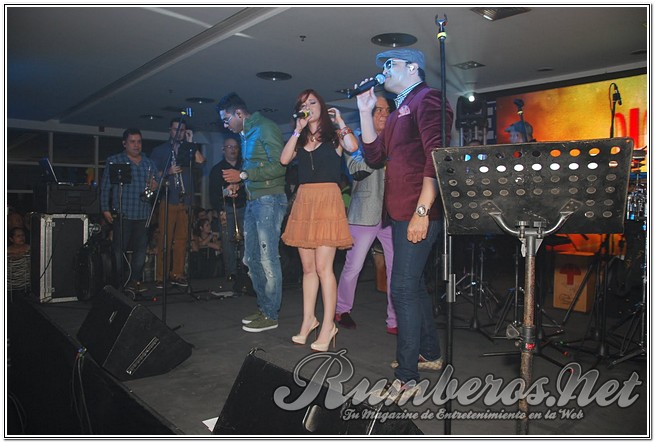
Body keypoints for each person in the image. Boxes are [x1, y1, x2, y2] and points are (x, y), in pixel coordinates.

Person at [356, 49, 453, 393]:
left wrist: (422, 212)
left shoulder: (429, 99)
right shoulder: (398, 111)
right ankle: (430, 352)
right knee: (413, 286)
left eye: (390, 64)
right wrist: (365, 111)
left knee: (401, 288)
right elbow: (373, 156)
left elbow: (436, 158)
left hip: (418, 210)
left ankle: (407, 378)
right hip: (400, 212)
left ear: (413, 68)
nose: (383, 70)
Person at [280, 90, 358, 352]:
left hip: (327, 201)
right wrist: (296, 129)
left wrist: (341, 122)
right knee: (308, 268)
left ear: (322, 107)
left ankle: (328, 325)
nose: (308, 106)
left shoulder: (335, 136)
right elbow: (284, 159)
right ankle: (308, 320)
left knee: (325, 268)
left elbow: (353, 147)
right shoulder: (300, 138)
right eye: (304, 104)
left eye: (313, 102)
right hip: (305, 201)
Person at [217, 92, 288, 333]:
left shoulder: (265, 128)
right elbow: (256, 167)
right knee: (251, 258)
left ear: (239, 113)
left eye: (226, 119)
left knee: (268, 259)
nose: (225, 125)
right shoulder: (246, 134)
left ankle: (271, 314)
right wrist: (241, 183)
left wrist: (243, 175)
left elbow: (280, 166)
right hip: (254, 199)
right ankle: (265, 307)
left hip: (270, 199)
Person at [336, 95, 397, 334]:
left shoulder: (395, 140)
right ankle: (342, 309)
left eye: (387, 110)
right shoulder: (355, 141)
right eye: (378, 110)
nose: (383, 114)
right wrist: (376, 148)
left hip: (392, 214)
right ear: (368, 114)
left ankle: (394, 320)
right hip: (364, 213)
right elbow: (356, 169)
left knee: (395, 269)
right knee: (354, 267)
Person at [100, 128, 159, 292]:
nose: (136, 145)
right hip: (123, 212)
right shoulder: (115, 161)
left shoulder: (149, 163)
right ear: (124, 143)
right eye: (132, 142)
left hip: (143, 213)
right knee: (119, 251)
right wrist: (105, 208)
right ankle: (119, 282)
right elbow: (105, 187)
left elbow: (156, 186)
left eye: (139, 142)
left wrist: (155, 186)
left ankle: (134, 281)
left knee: (141, 251)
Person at [150, 119, 205, 288]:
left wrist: (191, 142)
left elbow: (201, 162)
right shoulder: (160, 150)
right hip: (169, 199)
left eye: (182, 130)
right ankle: (161, 276)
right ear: (170, 130)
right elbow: (152, 175)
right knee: (165, 239)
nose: (179, 133)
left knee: (182, 239)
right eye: (176, 129)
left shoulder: (188, 149)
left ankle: (177, 274)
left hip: (186, 200)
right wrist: (168, 171)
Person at [209, 135, 246, 281]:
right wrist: (220, 209)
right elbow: (213, 194)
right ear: (223, 149)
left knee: (245, 240)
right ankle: (231, 272)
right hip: (226, 209)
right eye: (229, 147)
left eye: (235, 147)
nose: (233, 150)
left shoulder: (244, 167)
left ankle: (245, 271)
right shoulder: (217, 169)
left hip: (244, 207)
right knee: (227, 241)